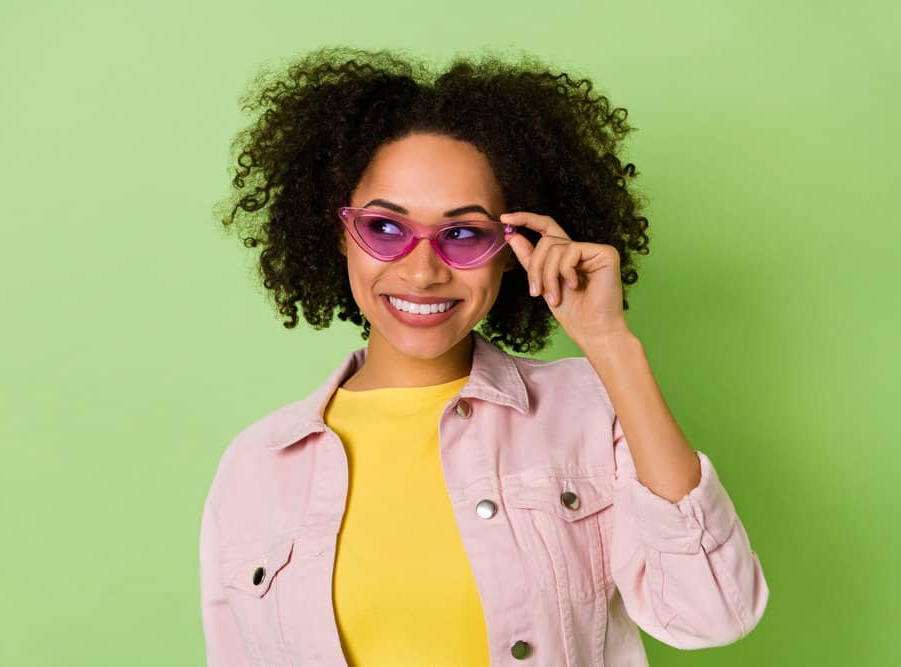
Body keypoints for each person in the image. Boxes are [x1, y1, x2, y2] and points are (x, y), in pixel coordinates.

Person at [200, 46, 769, 666]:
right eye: (385, 228)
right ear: (338, 233)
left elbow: (714, 612)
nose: (421, 272)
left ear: (511, 247)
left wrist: (610, 343)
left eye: (464, 233)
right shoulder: (257, 466)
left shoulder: (585, 413)